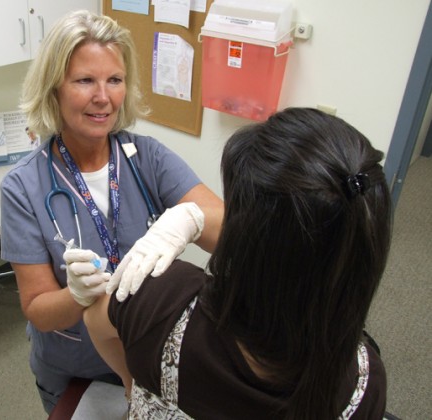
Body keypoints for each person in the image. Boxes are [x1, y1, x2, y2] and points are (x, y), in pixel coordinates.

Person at [85, 107, 391, 419]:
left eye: (233, 207)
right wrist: (197, 216)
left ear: (247, 237)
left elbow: (96, 322)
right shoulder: (364, 385)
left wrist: (129, 380)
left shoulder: (159, 301)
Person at [0, 10, 224, 414]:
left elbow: (227, 230)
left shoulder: (145, 157)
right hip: (75, 366)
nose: (103, 97)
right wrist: (76, 296)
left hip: (144, 353)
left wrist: (190, 219)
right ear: (54, 89)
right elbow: (37, 308)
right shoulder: (23, 187)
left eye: (115, 80)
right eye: (85, 80)